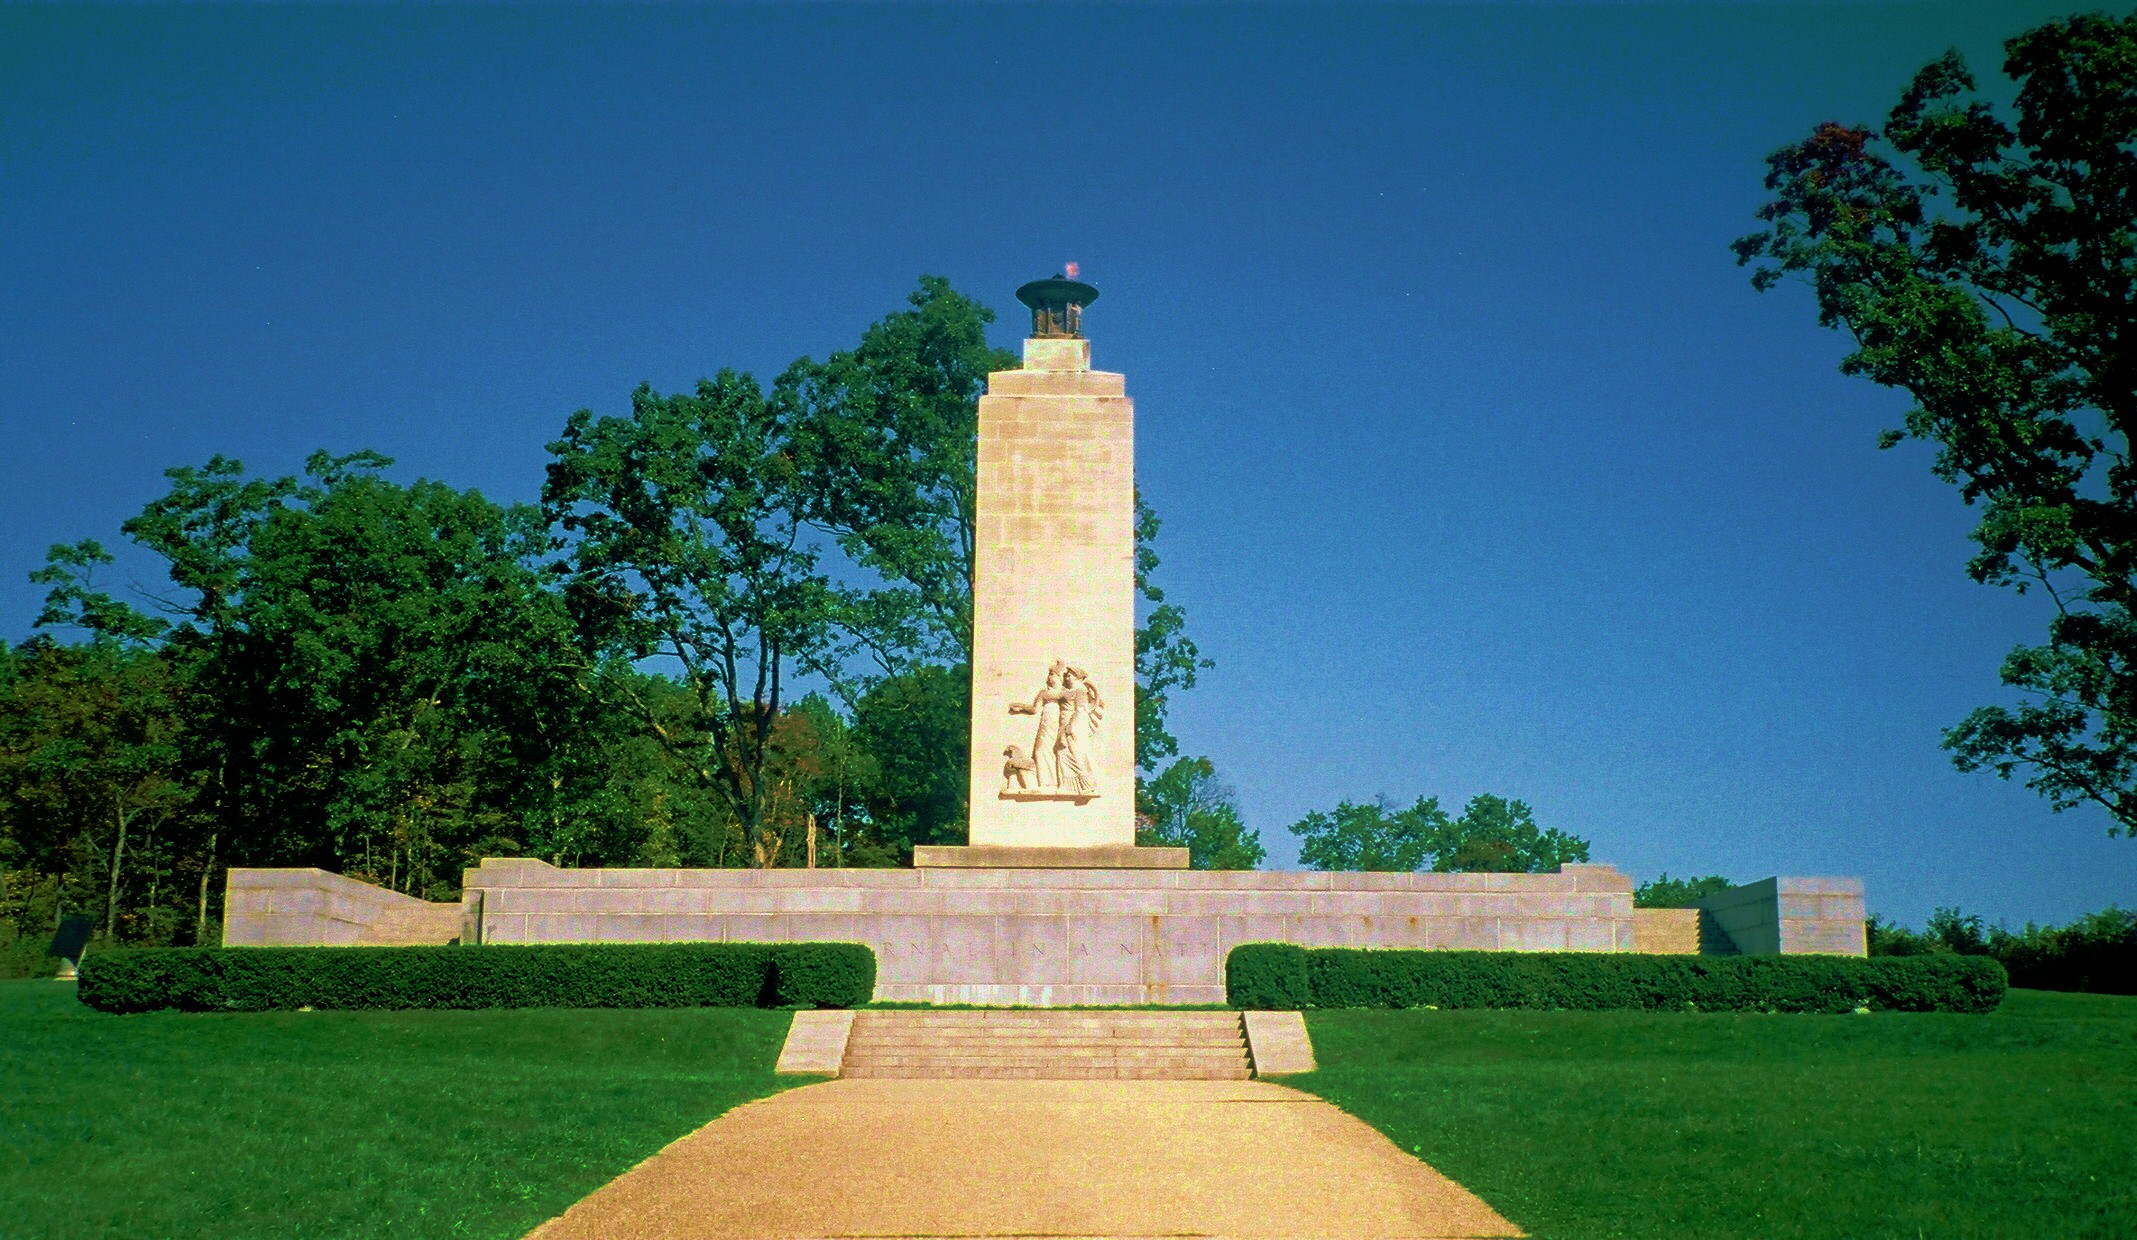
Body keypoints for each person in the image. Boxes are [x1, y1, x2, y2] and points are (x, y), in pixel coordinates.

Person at [1008, 661, 1069, 787]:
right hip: (1045, 723)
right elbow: (1034, 709)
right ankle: (1044, 782)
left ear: (1059, 676)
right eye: (1049, 675)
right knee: (1040, 750)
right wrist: (1021, 707)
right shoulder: (1044, 692)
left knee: (1054, 750)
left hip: (1057, 723)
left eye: (1052, 674)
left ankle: (1053, 783)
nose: (1049, 678)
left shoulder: (1064, 692)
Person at [1055, 666, 1103, 794]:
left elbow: (1080, 709)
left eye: (1069, 675)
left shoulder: (1080, 690)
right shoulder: (1070, 690)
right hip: (1065, 723)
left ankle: (1088, 784)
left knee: (1076, 753)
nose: (1066, 677)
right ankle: (1068, 785)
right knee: (1063, 753)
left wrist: (1072, 725)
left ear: (1076, 677)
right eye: (1066, 675)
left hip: (1074, 725)